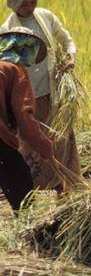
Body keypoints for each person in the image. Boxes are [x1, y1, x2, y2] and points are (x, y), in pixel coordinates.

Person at [0, 0, 79, 191]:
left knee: (62, 143)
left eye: (33, 1)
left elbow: (66, 40)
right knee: (30, 146)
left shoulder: (46, 17)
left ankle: (64, 191)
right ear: (13, 3)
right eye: (24, 4)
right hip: (26, 100)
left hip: (52, 95)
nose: (30, 7)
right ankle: (29, 194)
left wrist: (71, 56)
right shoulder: (7, 32)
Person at [0, 27, 54, 211]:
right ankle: (32, 235)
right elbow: (24, 117)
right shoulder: (16, 71)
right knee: (23, 191)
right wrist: (44, 147)